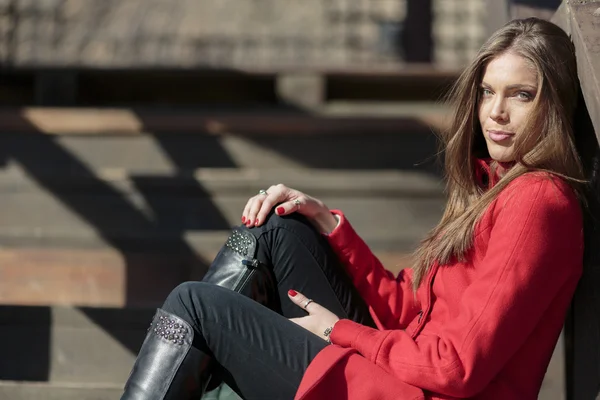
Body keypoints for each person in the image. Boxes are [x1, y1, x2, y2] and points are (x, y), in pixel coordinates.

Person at [120, 17, 599, 400]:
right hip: (403, 374)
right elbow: (414, 311)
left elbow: (455, 368)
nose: (496, 112)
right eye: (488, 91)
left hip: (417, 390)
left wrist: (340, 331)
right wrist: (330, 225)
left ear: (554, 104)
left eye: (521, 95)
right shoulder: (493, 188)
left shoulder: (537, 201)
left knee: (194, 305)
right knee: (278, 228)